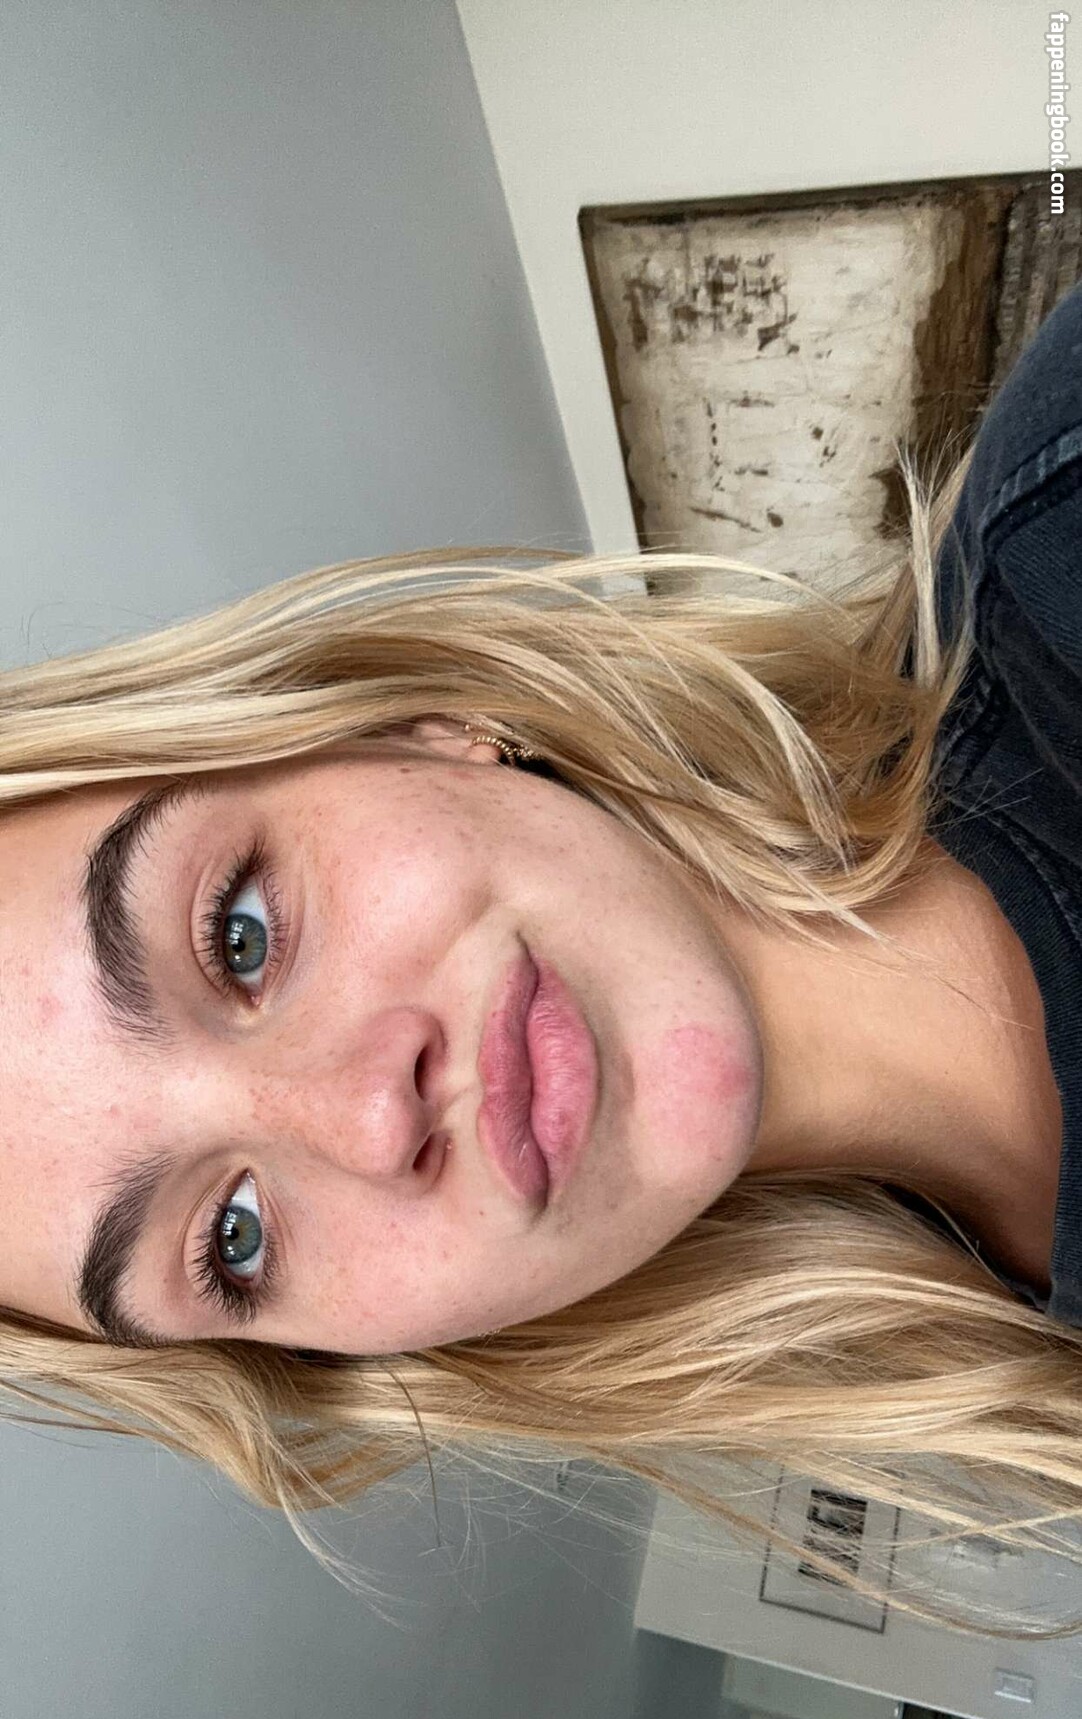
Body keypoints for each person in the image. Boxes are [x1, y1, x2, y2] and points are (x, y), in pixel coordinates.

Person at [5, 282, 1082, 1639]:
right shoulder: (1014, 1376)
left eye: (240, 934)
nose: (365, 1114)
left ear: (406, 728)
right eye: (234, 1237)